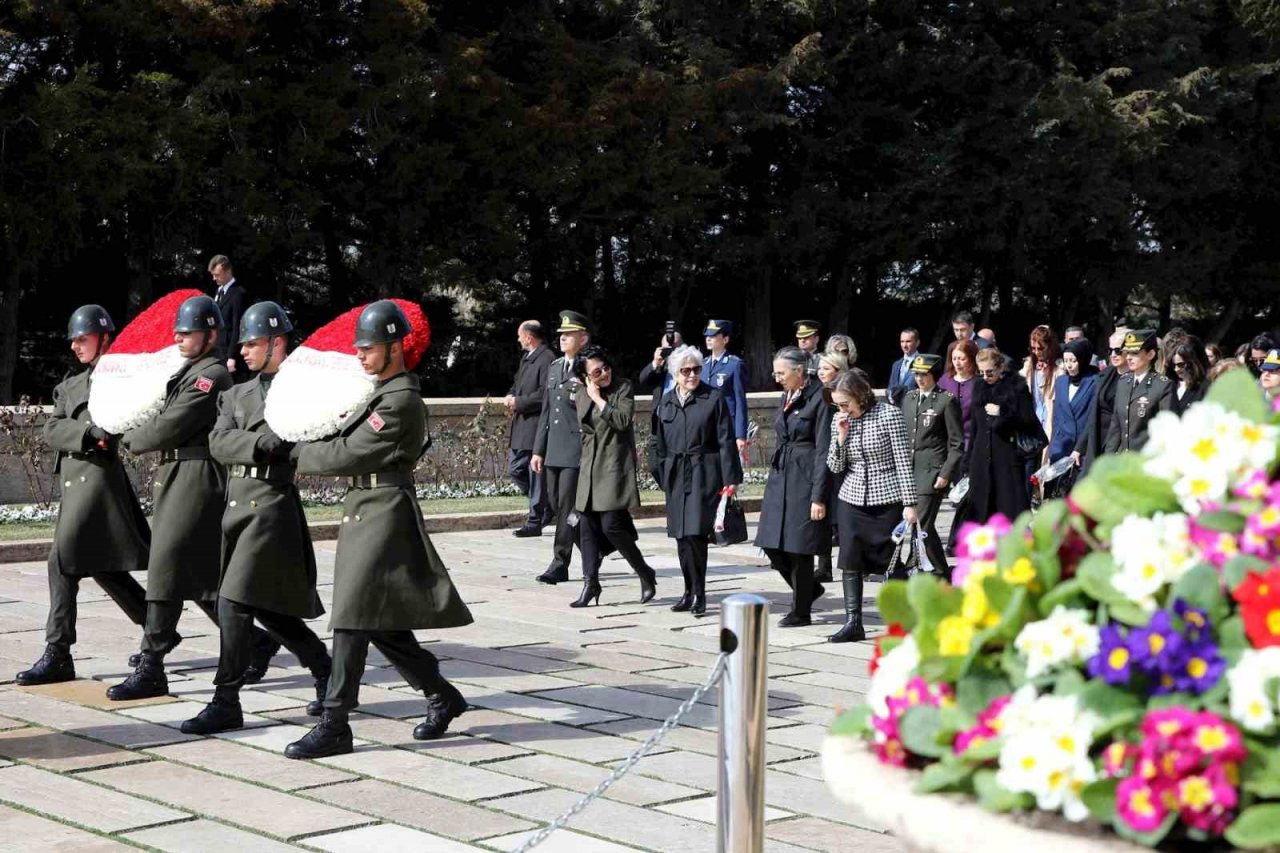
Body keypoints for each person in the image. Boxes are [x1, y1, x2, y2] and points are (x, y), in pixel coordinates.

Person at [285, 300, 474, 759]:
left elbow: (351, 452)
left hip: (384, 511)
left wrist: (292, 452)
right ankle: (441, 695)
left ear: (393, 348)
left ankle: (335, 722)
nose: (360, 356)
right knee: (380, 622)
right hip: (365, 507)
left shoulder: (400, 400)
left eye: (368, 348)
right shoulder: (379, 394)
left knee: (351, 615)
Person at [180, 302, 332, 735]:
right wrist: (262, 442)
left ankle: (225, 700)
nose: (243, 351)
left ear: (276, 342)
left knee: (232, 603)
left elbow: (299, 435)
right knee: (269, 609)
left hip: (271, 507)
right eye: (242, 343)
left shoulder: (303, 389)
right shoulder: (234, 394)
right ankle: (327, 671)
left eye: (252, 343)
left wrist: (260, 442)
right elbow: (218, 443)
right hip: (237, 509)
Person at [108, 295, 247, 700]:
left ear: (210, 335)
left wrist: (128, 434)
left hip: (195, 475)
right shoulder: (188, 371)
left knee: (166, 569)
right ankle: (257, 642)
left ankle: (152, 665)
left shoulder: (212, 376)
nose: (179, 338)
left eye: (187, 333)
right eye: (179, 332)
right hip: (178, 474)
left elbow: (171, 424)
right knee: (202, 577)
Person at [15, 306, 150, 686]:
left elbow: (121, 423)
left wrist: (87, 433)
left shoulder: (125, 379)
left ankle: (58, 652)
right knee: (101, 565)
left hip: (99, 483)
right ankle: (158, 628)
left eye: (83, 338)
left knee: (62, 560)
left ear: (105, 337)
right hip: (74, 484)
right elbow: (51, 430)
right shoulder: (71, 386)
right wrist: (87, 434)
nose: (76, 345)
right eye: (73, 339)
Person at [649, 345, 743, 618]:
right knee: (680, 536)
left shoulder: (712, 398)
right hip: (676, 474)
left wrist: (730, 479)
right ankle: (688, 590)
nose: (692, 375)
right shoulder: (666, 401)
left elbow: (726, 441)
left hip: (704, 473)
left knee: (695, 535)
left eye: (696, 370)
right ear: (675, 373)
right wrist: (661, 472)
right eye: (685, 370)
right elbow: (657, 443)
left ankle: (700, 593)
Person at [826, 370, 917, 642]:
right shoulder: (839, 420)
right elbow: (835, 466)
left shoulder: (889, 414)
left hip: (887, 497)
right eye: (837, 405)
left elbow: (903, 461)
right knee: (850, 560)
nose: (842, 409)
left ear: (859, 395)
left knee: (893, 561)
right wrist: (840, 438)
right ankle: (853, 621)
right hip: (852, 499)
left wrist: (910, 503)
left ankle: (902, 620)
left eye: (845, 403)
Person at [570, 345, 658, 608]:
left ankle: (644, 572)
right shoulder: (580, 393)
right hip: (589, 467)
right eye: (596, 372)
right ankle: (590, 583)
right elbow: (585, 430)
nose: (604, 373)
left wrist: (598, 397)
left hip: (613, 465)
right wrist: (589, 394)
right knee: (584, 526)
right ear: (585, 376)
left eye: (606, 367)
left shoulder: (623, 387)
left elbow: (620, 421)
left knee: (611, 526)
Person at [754, 347, 832, 627]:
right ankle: (809, 590)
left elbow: (824, 449)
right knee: (770, 542)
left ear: (799, 371)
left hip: (805, 476)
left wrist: (819, 496)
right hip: (782, 474)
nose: (777, 378)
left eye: (781, 373)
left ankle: (801, 611)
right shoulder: (787, 393)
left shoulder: (820, 398)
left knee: (800, 547)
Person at [531, 311, 593, 585]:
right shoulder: (555, 367)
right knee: (557, 505)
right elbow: (546, 410)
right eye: (561, 334)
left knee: (568, 505)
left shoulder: (590, 367)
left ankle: (560, 562)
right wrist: (538, 450)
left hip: (575, 448)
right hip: (554, 447)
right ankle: (595, 548)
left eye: (569, 334)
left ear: (583, 338)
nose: (563, 338)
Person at [960, 347, 1039, 527]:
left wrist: (1002, 413)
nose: (985, 377)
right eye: (981, 373)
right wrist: (968, 459)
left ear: (1000, 367)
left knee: (1011, 509)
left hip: (1006, 456)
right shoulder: (979, 386)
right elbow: (975, 428)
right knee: (980, 510)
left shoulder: (1016, 387)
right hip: (981, 456)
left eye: (989, 372)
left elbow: (1028, 421)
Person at [901, 354, 963, 577]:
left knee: (923, 523)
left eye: (924, 374)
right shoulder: (908, 399)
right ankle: (935, 567)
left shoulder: (945, 400)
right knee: (918, 525)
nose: (919, 378)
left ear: (933, 375)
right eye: (916, 374)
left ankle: (932, 570)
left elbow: (956, 443)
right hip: (909, 472)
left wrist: (945, 473)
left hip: (931, 472)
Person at [506, 320, 555, 538]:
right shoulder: (527, 358)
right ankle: (545, 506)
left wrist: (520, 402)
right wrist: (510, 395)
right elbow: (518, 384)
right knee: (515, 469)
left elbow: (545, 394)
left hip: (535, 425)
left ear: (529, 336)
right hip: (521, 425)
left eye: (520, 335)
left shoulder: (547, 359)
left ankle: (535, 520)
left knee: (536, 475)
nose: (518, 340)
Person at [1104, 329, 1174, 454]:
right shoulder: (1123, 381)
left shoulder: (1163, 385)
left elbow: (1169, 431)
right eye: (1127, 352)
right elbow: (1116, 426)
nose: (1129, 357)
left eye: (1135, 353)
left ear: (1150, 354)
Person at [1076, 327, 1130, 472]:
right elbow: (1094, 415)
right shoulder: (1105, 375)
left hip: (1119, 445)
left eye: (1118, 350)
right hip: (1098, 440)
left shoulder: (1137, 378)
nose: (1113, 354)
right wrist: (1079, 448)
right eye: (1110, 350)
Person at [813, 352, 847, 583]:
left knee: (843, 517)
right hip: (825, 459)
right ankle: (824, 565)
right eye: (820, 368)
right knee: (824, 516)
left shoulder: (842, 393)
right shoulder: (818, 393)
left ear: (838, 370)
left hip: (841, 461)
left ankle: (851, 562)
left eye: (826, 368)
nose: (821, 372)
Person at [702, 320, 750, 455]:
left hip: (727, 426)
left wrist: (740, 435)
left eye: (713, 336)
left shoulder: (735, 364)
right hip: (706, 426)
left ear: (725, 339)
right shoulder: (703, 365)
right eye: (707, 336)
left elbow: (740, 402)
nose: (709, 339)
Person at [1051, 339, 1099, 470]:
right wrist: (1053, 447)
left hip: (1082, 448)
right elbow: (1057, 417)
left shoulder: (1095, 381)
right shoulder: (1061, 381)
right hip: (1061, 446)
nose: (1069, 365)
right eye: (1066, 361)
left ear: (1083, 360)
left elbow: (1093, 417)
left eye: (1073, 361)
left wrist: (1081, 447)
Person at [209, 255, 248, 381]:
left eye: (217, 275)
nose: (214, 278)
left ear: (227, 271)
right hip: (217, 350)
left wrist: (232, 356)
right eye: (213, 274)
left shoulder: (238, 293)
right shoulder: (219, 292)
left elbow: (238, 326)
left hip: (228, 353)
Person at [940, 340, 980, 455]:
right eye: (954, 359)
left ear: (972, 359)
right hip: (946, 444)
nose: (957, 363)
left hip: (972, 443)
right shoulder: (944, 381)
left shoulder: (980, 383)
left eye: (962, 359)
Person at [1167, 341, 1209, 416]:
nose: (1176, 369)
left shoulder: (1204, 386)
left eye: (1180, 365)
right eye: (1174, 365)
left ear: (1191, 363)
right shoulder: (1171, 385)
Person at [886, 327, 920, 406]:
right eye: (902, 341)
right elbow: (890, 387)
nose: (904, 345)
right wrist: (890, 393)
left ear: (917, 343)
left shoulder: (923, 362)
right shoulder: (896, 365)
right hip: (896, 409)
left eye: (908, 341)